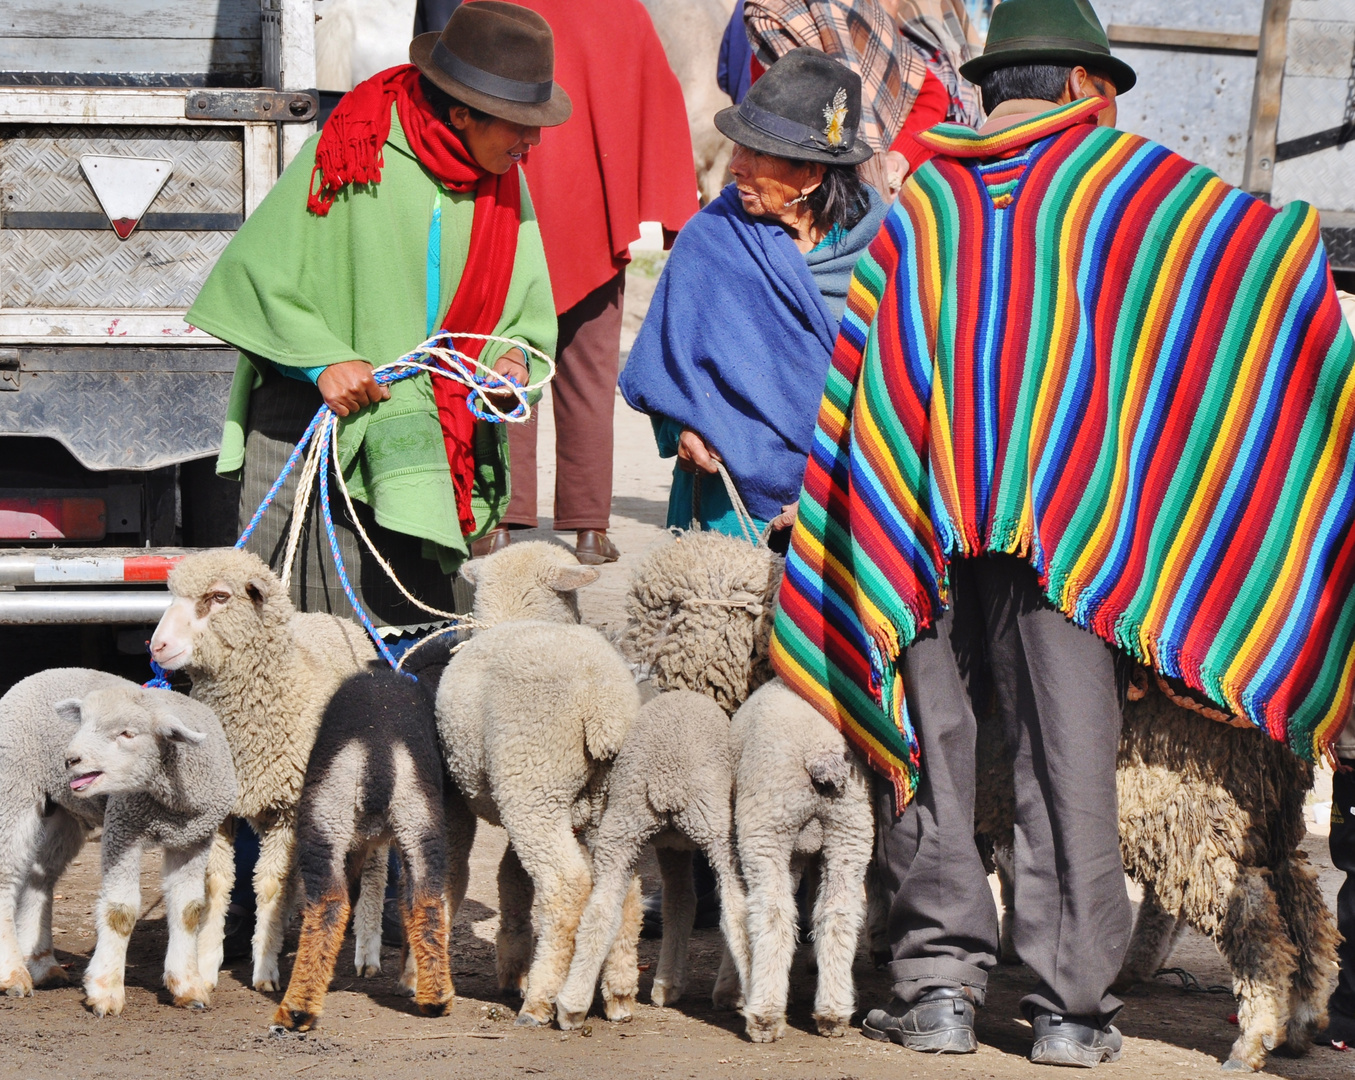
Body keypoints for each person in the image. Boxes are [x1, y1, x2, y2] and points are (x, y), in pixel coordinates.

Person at [770, 0, 1355, 1068]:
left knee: (927, 740)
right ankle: (1067, 1012)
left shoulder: (926, 207)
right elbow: (1266, 257)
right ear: (1083, 85)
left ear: (991, 85)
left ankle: (938, 989)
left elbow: (871, 376)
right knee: (1065, 756)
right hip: (1066, 531)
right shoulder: (1121, 191)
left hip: (922, 515)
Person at [188, 2, 563, 642]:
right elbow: (255, 274)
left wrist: (511, 362)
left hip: (422, 443)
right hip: (313, 423)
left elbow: (523, 317)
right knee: (293, 655)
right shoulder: (355, 146)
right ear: (463, 111)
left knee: (414, 656)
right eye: (518, 125)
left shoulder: (503, 180)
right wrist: (320, 360)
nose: (532, 142)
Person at [620, 48, 888, 546]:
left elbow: (899, 391)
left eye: (757, 153)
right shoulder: (712, 239)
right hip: (726, 507)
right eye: (737, 148)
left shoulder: (881, 252)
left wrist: (828, 492)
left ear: (813, 173)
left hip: (846, 507)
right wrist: (680, 428)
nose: (735, 167)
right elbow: (664, 366)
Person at [487, 0, 698, 565]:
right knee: (589, 375)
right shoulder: (623, 10)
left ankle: (500, 520)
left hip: (507, 205)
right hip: (593, 217)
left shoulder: (491, 5)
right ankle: (588, 528)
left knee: (501, 359)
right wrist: (671, 210)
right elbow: (660, 95)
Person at [743, 0, 932, 196]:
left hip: (885, 186)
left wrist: (900, 155)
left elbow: (930, 92)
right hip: (807, 185)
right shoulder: (768, 26)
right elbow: (763, 127)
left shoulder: (859, 15)